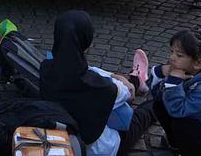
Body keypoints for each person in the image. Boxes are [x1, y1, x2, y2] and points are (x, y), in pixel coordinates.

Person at [118, 30, 201, 156]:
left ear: (198, 63)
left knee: (182, 123)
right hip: (199, 123)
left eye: (179, 55)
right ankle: (176, 144)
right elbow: (157, 96)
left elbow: (177, 110)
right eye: (172, 52)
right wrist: (160, 73)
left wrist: (173, 82)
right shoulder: (184, 70)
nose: (172, 58)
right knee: (159, 104)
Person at [39, 11, 137, 156]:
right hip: (99, 149)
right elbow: (128, 92)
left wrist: (111, 75)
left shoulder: (46, 68)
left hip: (60, 138)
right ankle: (140, 80)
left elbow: (81, 70)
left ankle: (137, 78)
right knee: (140, 117)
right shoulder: (100, 87)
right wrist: (121, 79)